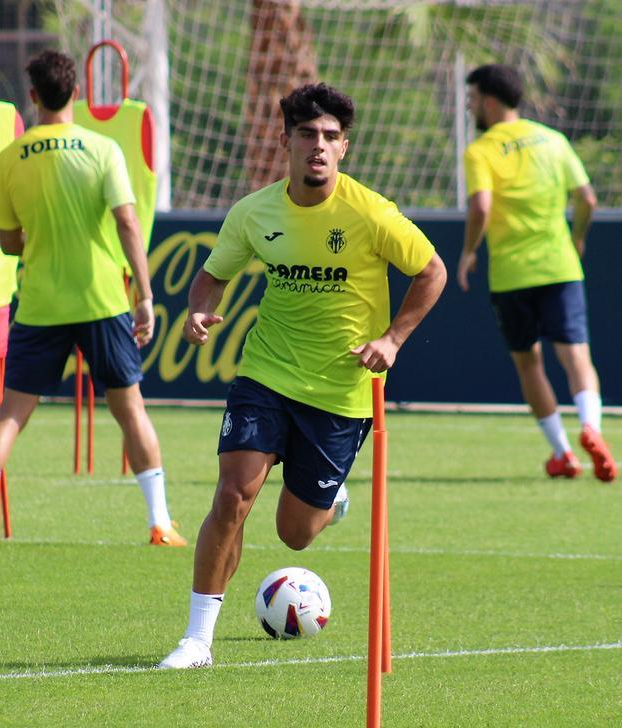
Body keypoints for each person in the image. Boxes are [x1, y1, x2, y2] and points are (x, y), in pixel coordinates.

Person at [158, 83, 447, 669]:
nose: (318, 146)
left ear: (345, 148)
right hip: (266, 374)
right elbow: (214, 275)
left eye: (330, 138)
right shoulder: (253, 212)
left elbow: (432, 271)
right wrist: (196, 310)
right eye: (308, 135)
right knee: (233, 497)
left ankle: (328, 498)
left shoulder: (371, 213)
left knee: (295, 534)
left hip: (341, 393)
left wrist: (392, 339)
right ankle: (196, 640)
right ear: (284, 140)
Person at [0, 49, 185, 550]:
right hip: (102, 300)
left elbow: (9, 242)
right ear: (75, 93)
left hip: (40, 304)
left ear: (32, 96)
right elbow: (126, 222)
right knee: (130, 411)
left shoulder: (10, 156)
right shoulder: (102, 151)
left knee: (12, 414)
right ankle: (160, 524)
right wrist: (144, 294)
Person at [457, 64, 617, 483]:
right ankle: (591, 428)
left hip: (512, 274)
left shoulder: (481, 150)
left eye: (472, 99)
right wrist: (578, 238)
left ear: (490, 102)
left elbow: (481, 208)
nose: (471, 106)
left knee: (530, 365)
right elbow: (587, 199)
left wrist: (469, 252)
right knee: (576, 355)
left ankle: (563, 452)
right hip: (560, 265)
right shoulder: (554, 139)